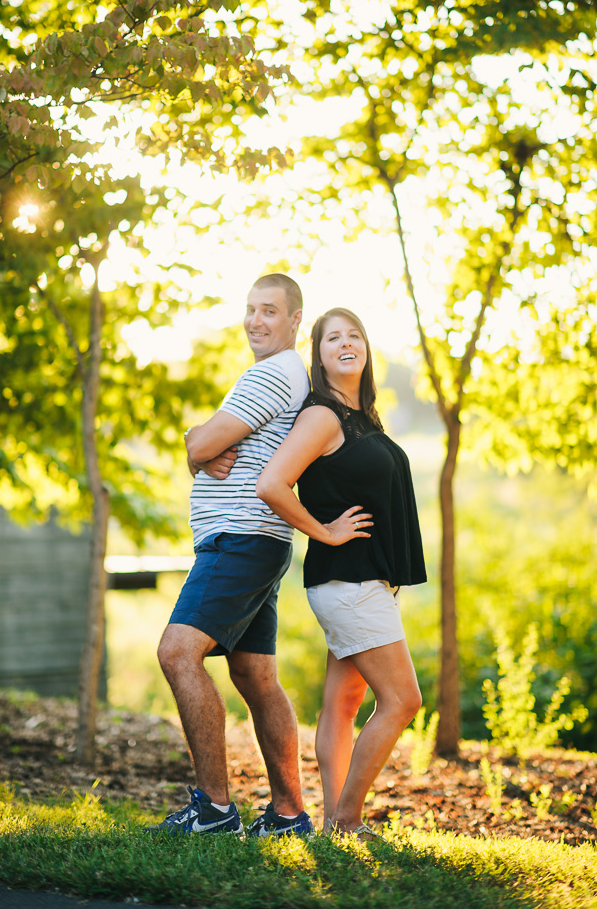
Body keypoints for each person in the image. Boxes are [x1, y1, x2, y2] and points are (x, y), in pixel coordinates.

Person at [153, 274, 314, 837]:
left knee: (177, 653)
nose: (255, 321)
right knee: (255, 676)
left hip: (240, 538)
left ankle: (215, 811)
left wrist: (197, 446)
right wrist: (204, 447)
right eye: (250, 310)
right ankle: (288, 816)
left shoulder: (273, 372)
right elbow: (208, 446)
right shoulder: (287, 375)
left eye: (269, 311)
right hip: (258, 541)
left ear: (296, 319)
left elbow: (201, 444)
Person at [256, 307, 426, 837]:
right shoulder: (323, 415)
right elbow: (272, 483)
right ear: (320, 353)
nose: (346, 342)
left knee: (344, 702)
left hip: (360, 580)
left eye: (355, 334)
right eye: (334, 337)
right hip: (347, 581)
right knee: (402, 701)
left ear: (367, 348)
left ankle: (334, 818)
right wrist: (324, 530)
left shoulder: (360, 416)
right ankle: (348, 820)